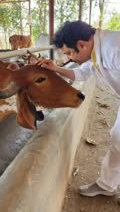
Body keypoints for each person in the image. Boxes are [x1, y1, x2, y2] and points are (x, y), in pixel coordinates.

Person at [37, 20, 120, 197]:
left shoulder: (114, 48)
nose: (68, 58)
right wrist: (56, 68)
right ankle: (107, 185)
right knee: (118, 139)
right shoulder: (94, 52)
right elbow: (81, 73)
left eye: (68, 53)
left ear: (81, 45)